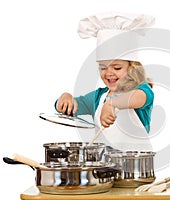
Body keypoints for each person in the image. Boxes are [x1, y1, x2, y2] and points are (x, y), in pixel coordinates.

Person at [55, 12, 155, 151]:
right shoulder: (97, 98)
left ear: (132, 68)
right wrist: (65, 98)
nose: (108, 73)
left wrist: (112, 104)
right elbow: (68, 108)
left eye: (117, 67)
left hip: (136, 169)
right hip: (103, 169)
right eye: (103, 67)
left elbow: (138, 97)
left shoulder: (142, 91)